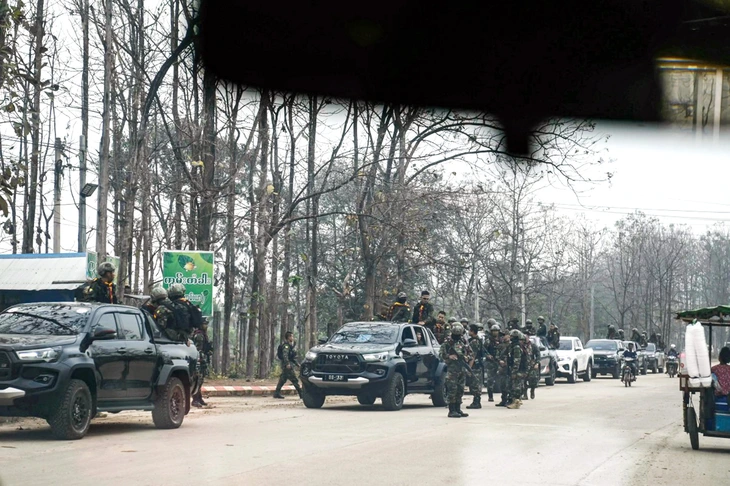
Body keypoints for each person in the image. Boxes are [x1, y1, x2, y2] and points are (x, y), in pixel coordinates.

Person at [439, 323, 469, 418]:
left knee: (460, 389)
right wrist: (449, 356)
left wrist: (467, 357)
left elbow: (470, 352)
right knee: (452, 390)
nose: (457, 337)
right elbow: (440, 355)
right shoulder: (447, 343)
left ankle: (458, 408)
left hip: (462, 369)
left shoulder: (463, 342)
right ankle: (451, 410)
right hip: (452, 370)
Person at [273, 331, 303, 399]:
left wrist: (297, 364)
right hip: (287, 365)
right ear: (289, 337)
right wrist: (287, 364)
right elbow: (285, 355)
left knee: (282, 379)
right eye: (292, 336)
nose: (293, 338)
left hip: (286, 364)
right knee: (294, 380)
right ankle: (301, 394)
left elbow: (291, 357)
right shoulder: (286, 346)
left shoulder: (290, 346)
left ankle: (276, 393)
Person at [192, 319, 213, 407]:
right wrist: (200, 359)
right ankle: (195, 400)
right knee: (198, 380)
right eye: (204, 324)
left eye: (206, 324)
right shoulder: (199, 335)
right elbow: (198, 349)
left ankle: (199, 398)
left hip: (202, 359)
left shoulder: (203, 334)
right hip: (199, 360)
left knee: (201, 380)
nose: (206, 326)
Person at [466, 324, 485, 409]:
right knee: (475, 383)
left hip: (475, 366)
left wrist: (469, 368)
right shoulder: (477, 340)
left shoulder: (474, 342)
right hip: (477, 365)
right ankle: (476, 401)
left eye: (469, 330)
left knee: (475, 384)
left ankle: (476, 402)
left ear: (472, 331)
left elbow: (472, 356)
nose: (468, 332)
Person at [506, 330, 526, 409]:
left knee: (516, 387)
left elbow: (517, 361)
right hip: (516, 370)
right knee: (514, 386)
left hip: (518, 370)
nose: (510, 338)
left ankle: (516, 402)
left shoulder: (517, 347)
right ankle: (515, 401)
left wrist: (514, 372)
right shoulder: (513, 346)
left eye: (511, 336)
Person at [484, 320, 501, 403]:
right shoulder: (488, 340)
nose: (495, 333)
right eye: (494, 331)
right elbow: (484, 350)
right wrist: (487, 355)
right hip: (491, 362)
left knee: (502, 379)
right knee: (490, 380)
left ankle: (503, 397)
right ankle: (490, 396)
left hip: (500, 362)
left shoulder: (501, 340)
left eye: (496, 331)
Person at [526, 335, 541, 400]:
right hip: (524, 365)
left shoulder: (533, 346)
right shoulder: (521, 346)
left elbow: (538, 355)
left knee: (533, 379)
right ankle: (524, 394)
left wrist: (536, 363)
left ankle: (532, 390)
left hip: (532, 364)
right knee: (523, 380)